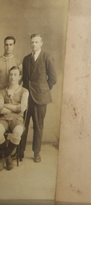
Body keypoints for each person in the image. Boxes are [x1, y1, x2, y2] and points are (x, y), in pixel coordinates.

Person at [19, 34, 57, 163]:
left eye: (36, 42)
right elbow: (25, 79)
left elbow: (53, 79)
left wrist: (43, 90)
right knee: (22, 124)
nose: (34, 44)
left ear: (41, 43)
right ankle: (20, 152)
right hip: (26, 97)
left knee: (38, 126)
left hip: (40, 98)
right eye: (32, 42)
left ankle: (36, 152)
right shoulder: (26, 59)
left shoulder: (47, 58)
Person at [0, 66, 29, 171]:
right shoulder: (2, 91)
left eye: (15, 75)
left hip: (17, 119)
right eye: (11, 74)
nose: (12, 77)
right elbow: (0, 109)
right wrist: (14, 108)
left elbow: (21, 108)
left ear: (19, 76)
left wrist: (6, 106)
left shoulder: (24, 91)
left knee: (18, 132)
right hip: (3, 118)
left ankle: (3, 158)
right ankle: (7, 158)